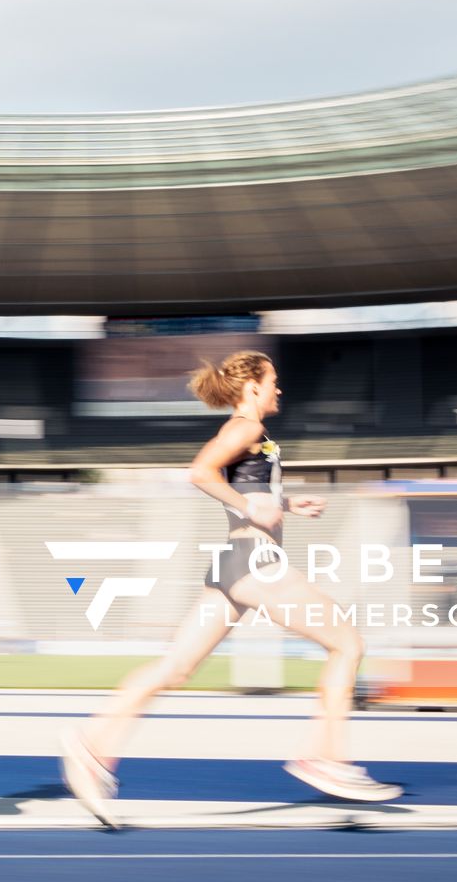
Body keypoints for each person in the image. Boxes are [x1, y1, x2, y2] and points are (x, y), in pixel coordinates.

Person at [60, 350, 401, 825]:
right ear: (253, 387)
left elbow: (249, 485)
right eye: (274, 381)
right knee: (347, 643)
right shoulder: (247, 427)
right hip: (257, 565)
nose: (279, 389)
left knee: (175, 669)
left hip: (233, 568)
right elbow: (200, 472)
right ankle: (325, 758)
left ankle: (91, 747)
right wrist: (249, 505)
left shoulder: (251, 434)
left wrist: (285, 502)